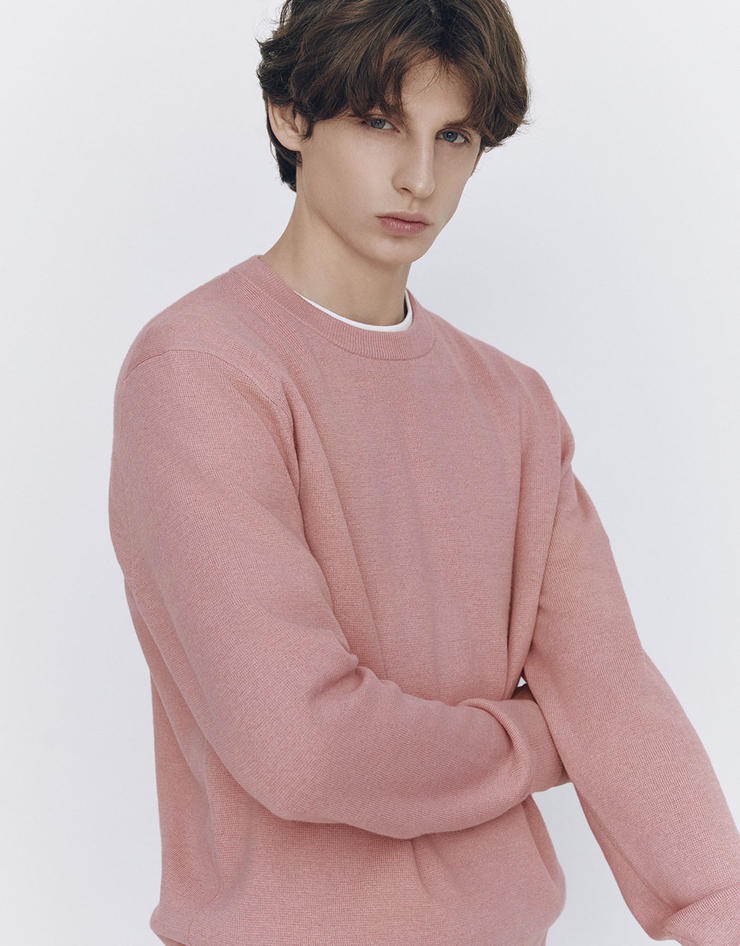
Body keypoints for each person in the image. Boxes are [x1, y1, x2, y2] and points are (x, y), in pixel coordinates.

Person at [107, 1, 740, 944]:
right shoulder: (201, 372)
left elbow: (612, 691)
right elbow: (304, 746)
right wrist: (542, 737)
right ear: (291, 114)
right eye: (379, 122)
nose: (420, 177)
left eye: (455, 136)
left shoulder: (513, 403)